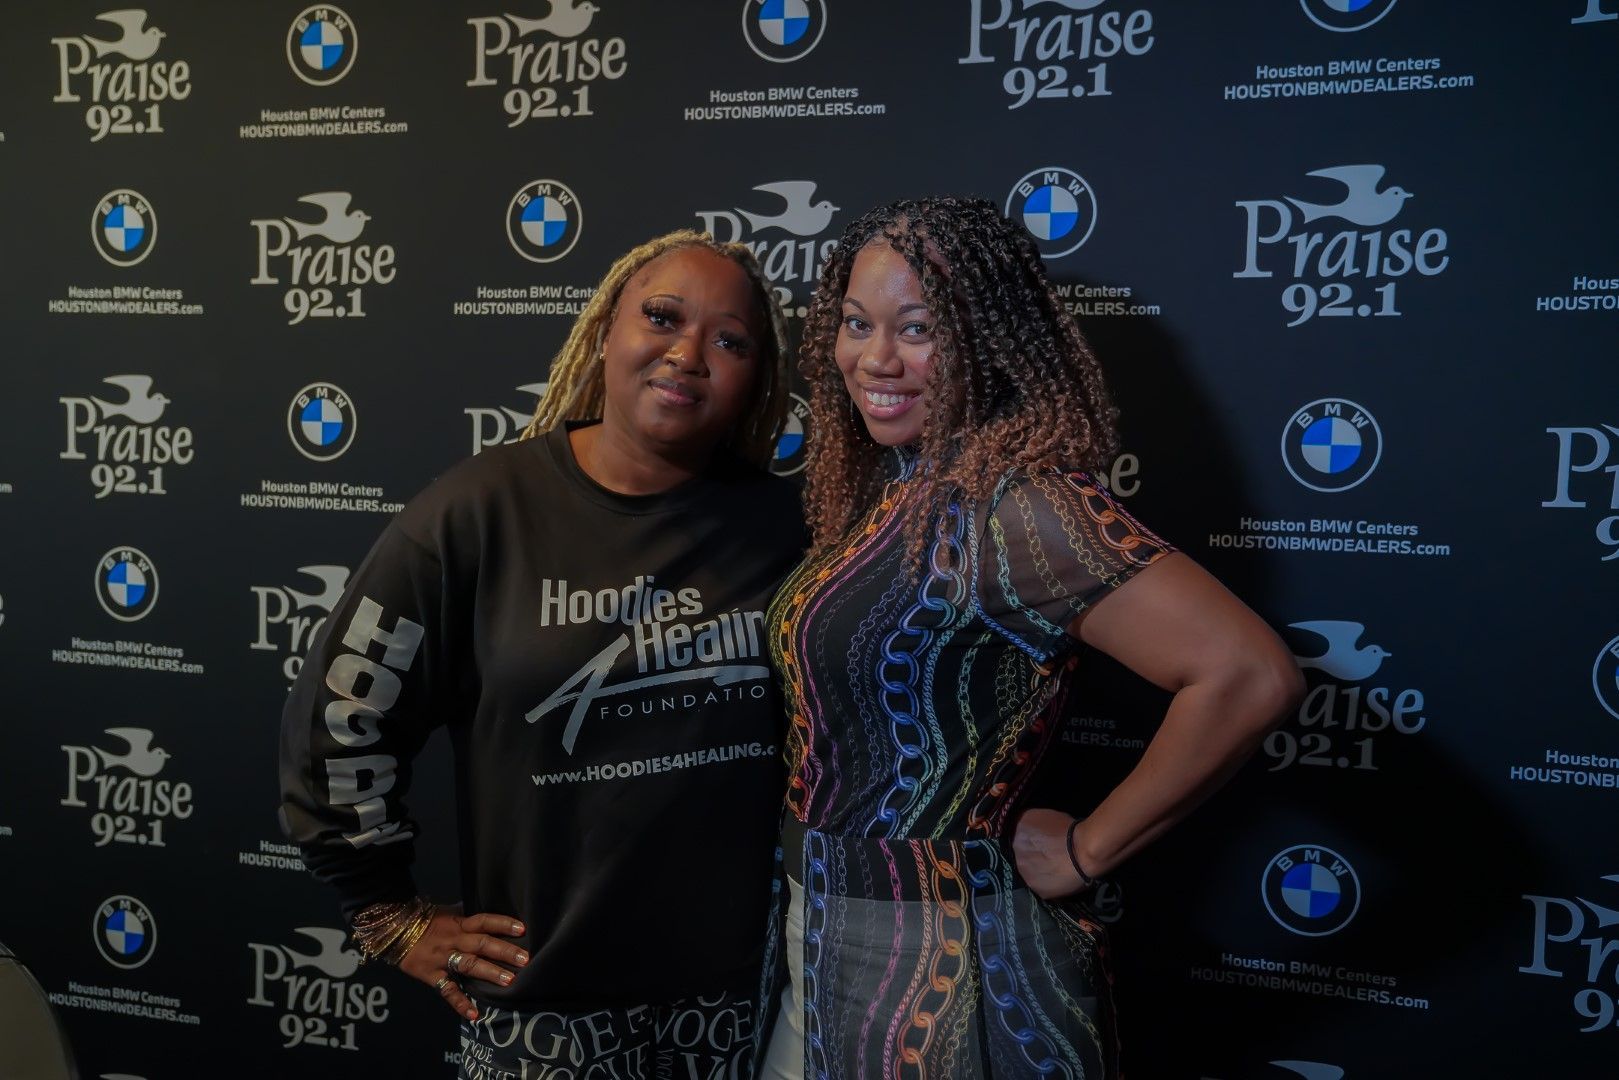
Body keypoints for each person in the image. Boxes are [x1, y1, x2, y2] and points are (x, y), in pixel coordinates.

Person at [757, 198, 1305, 1078]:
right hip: (822, 930)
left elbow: (1247, 674)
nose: (874, 358)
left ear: (987, 340)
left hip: (934, 961)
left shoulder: (1016, 507)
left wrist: (1089, 848)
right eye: (856, 324)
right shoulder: (895, 486)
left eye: (917, 328)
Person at [279, 229, 807, 1079]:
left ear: (758, 380)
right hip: (543, 1000)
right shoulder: (478, 512)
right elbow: (343, 717)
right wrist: (383, 909)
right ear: (606, 331)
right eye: (662, 317)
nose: (688, 354)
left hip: (739, 998)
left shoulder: (789, 528)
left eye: (730, 340)